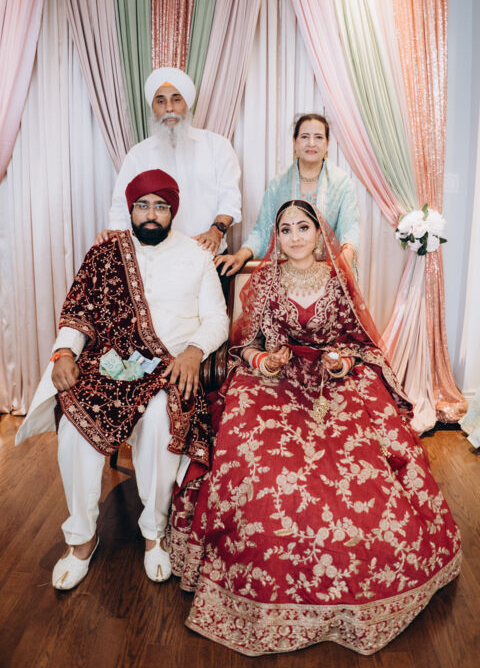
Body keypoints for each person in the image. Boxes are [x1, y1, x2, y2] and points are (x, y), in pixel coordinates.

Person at [170, 199, 461, 656]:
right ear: (277, 237)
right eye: (285, 229)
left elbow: (360, 342)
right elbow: (244, 343)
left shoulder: (338, 280)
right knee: (262, 475)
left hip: (334, 382)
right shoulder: (265, 280)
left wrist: (343, 361)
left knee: (361, 479)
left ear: (319, 233)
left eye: (303, 227)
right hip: (275, 382)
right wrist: (262, 361)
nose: (295, 237)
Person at [16, 169, 229, 591]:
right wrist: (64, 352)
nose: (151, 214)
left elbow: (217, 319)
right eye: (142, 205)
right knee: (75, 424)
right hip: (107, 364)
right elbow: (77, 311)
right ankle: (81, 537)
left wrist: (193, 352)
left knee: (160, 419)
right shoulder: (105, 253)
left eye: (161, 206)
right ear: (131, 209)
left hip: (168, 367)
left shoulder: (196, 255)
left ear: (173, 211)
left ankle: (154, 532)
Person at [98, 66, 241, 255]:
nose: (169, 108)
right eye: (160, 101)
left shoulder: (217, 145)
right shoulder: (138, 154)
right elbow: (121, 205)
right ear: (153, 108)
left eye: (176, 99)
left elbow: (230, 197)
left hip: (208, 253)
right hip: (155, 258)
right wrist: (115, 236)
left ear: (187, 104)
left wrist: (216, 231)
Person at [216, 113, 359, 275]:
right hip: (287, 274)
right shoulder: (278, 185)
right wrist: (241, 255)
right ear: (294, 141)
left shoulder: (342, 183)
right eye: (305, 137)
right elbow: (262, 231)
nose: (311, 143)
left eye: (319, 137)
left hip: (330, 271)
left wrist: (347, 254)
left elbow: (350, 227)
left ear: (328, 143)